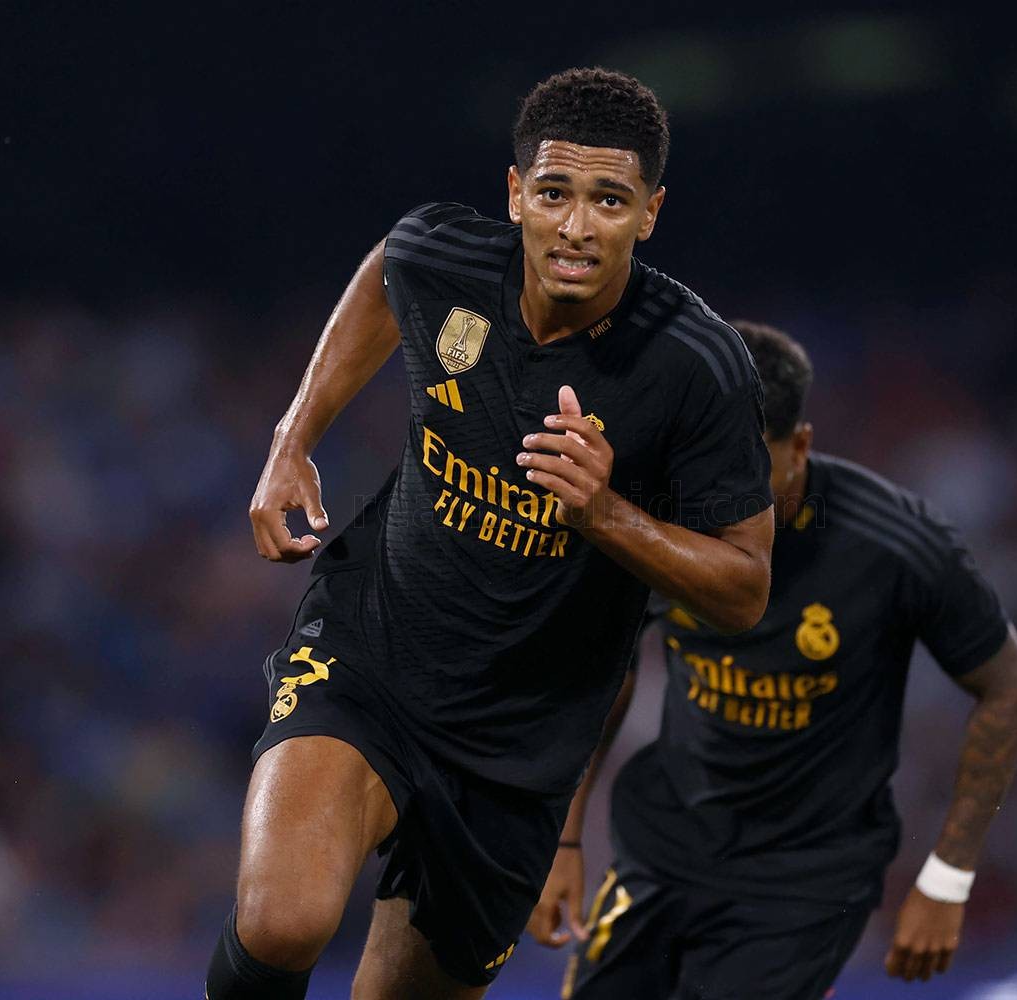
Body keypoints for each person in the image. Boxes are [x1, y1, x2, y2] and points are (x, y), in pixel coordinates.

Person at [206, 68, 776, 1000]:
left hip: (522, 747)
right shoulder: (447, 257)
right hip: (372, 657)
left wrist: (605, 514)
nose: (576, 226)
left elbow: (745, 589)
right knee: (283, 919)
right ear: (516, 194)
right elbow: (387, 270)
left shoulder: (697, 367)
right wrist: (293, 438)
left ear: (650, 213)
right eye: (553, 193)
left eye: (609, 200)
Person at [534, 321, 1017, 999]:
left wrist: (947, 879)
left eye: (752, 469)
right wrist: (564, 840)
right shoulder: (662, 519)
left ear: (800, 447)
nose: (729, 492)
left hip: (803, 885)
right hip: (663, 852)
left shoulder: (895, 546)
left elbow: (1008, 685)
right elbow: (604, 669)